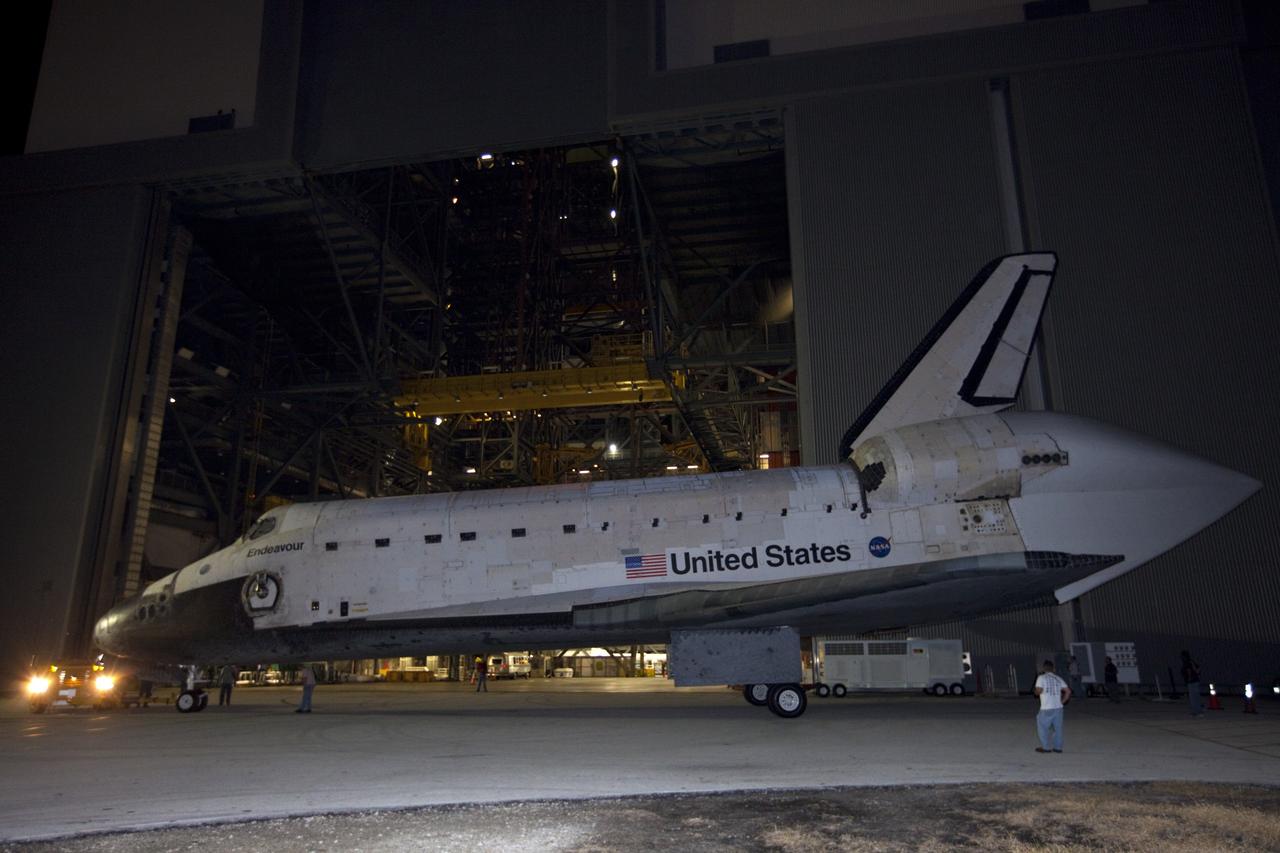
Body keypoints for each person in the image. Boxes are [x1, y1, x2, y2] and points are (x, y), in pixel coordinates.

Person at [1034, 659, 1071, 754]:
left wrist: (1037, 691)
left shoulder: (1041, 678)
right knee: (1058, 728)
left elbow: (1038, 691)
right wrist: (1062, 701)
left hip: (1046, 707)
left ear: (1043, 668)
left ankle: (1046, 748)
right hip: (1058, 707)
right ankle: (1058, 748)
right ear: (1053, 669)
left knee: (1042, 727)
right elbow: (1068, 691)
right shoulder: (1058, 678)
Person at [1181, 650, 1203, 717]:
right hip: (1196, 681)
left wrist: (1189, 678)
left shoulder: (1186, 663)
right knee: (1196, 696)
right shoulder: (1192, 661)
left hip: (1191, 682)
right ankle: (1198, 711)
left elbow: (1188, 671)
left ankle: (1196, 712)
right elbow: (1198, 669)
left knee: (1193, 697)